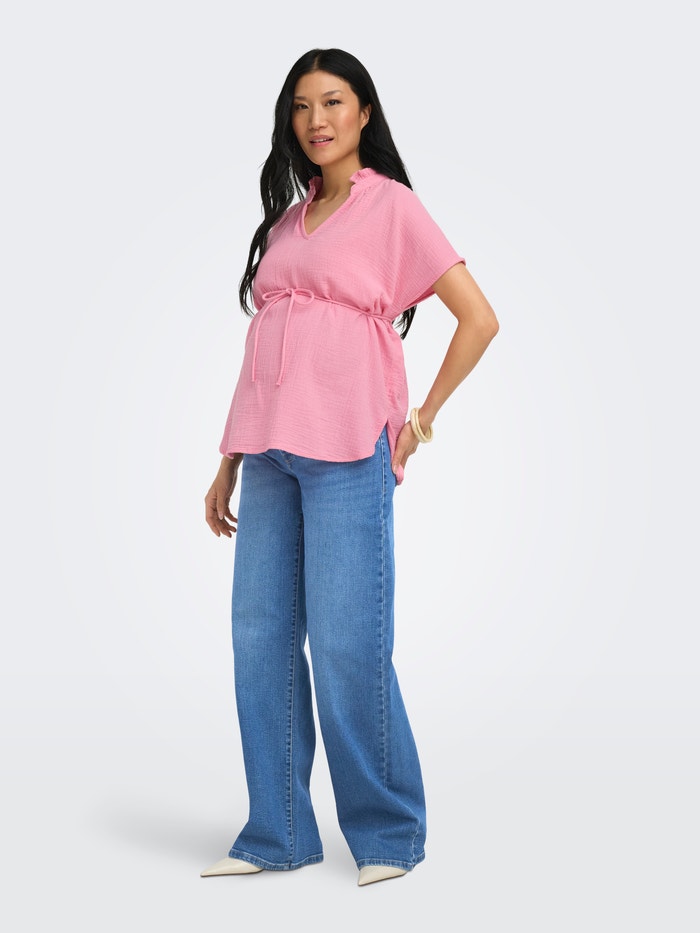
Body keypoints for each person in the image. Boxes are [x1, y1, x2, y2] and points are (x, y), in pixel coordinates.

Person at [201, 47, 499, 887]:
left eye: (333, 102)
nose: (317, 119)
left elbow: (479, 318)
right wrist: (228, 459)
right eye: (302, 106)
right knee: (260, 640)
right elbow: (266, 349)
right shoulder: (289, 221)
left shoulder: (392, 206)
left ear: (364, 112)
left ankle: (388, 831)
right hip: (269, 452)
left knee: (347, 645)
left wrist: (421, 421)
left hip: (347, 449)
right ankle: (279, 833)